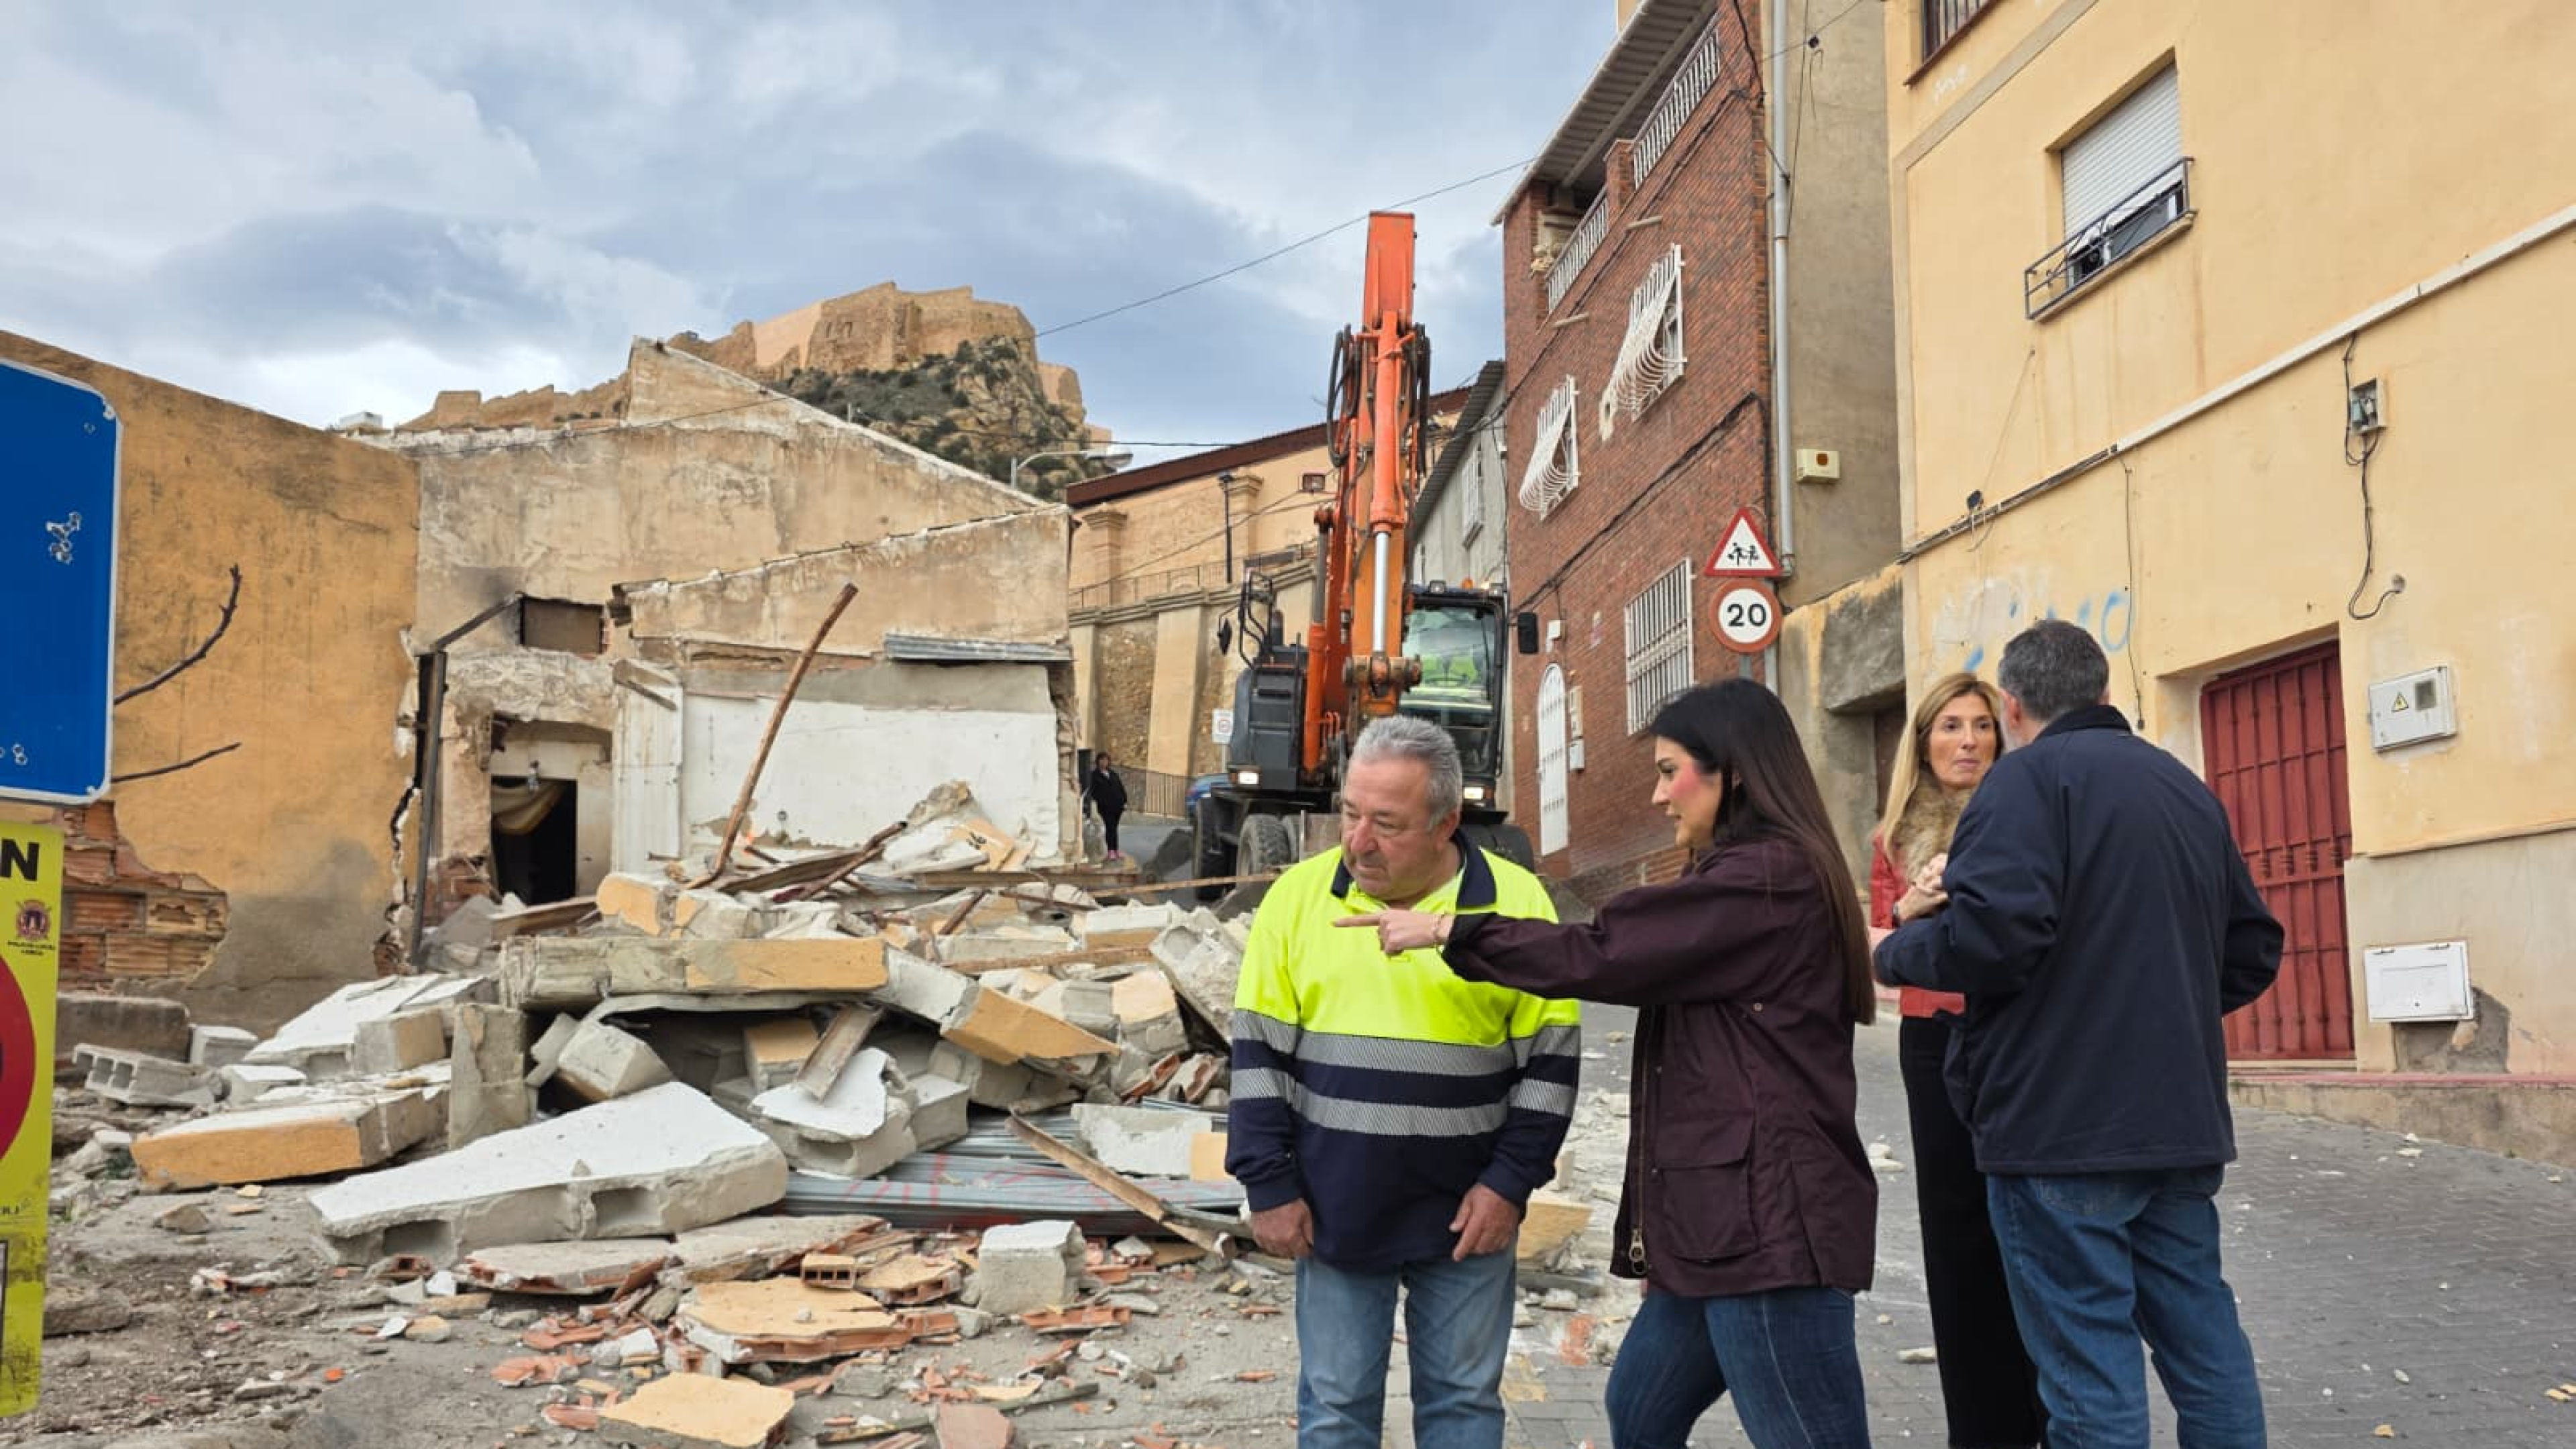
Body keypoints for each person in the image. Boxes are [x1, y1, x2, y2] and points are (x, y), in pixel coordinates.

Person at [1344, 680, 1877, 1449]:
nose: (1658, 796)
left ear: (1731, 774)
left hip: (1768, 1232)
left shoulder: (1765, 879)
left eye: (1669, 772)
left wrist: (1448, 929)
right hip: (1720, 1227)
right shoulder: (1747, 877)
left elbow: (1605, 952)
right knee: (1642, 1410)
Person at [1875, 621, 2283, 1447]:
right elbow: (2252, 949)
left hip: (2058, 1129)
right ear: (2104, 693)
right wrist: (2155, 1012)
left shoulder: (2022, 787)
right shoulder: (2182, 788)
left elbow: (1991, 940)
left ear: (2012, 708)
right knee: (2205, 1348)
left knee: (2089, 1371)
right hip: (2177, 1124)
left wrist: (1895, 952)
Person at [1226, 715, 1580, 1449]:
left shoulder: (1516, 906)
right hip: (1334, 1207)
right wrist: (1269, 1185)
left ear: (1446, 822)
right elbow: (1258, 1056)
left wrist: (1510, 1184)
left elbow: (1550, 1064)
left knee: (1462, 1407)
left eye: (1386, 824)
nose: (1357, 842)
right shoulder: (1296, 900)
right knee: (1336, 1411)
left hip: (1469, 1216)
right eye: (1350, 814)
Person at [1868, 672, 2047, 1449]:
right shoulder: (1892, 836)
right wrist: (1910, 908)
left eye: (1981, 725)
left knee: (2031, 1227)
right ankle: (1981, 1430)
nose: (1968, 740)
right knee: (1957, 1234)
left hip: (2015, 1033)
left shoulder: (2027, 818)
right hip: (1933, 1038)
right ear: (1923, 743)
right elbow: (1876, 950)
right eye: (1950, 726)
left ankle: (2050, 1415)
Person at [1083, 752, 1129, 860]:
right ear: (1098, 761)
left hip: (1118, 806)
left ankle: (1116, 850)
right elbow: (1093, 792)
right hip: (1105, 807)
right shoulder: (1094, 775)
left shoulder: (1113, 774)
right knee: (1110, 827)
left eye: (1106, 760)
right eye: (1102, 760)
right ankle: (1111, 851)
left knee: (1114, 828)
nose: (1104, 762)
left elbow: (1121, 788)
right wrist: (1101, 801)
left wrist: (1125, 801)